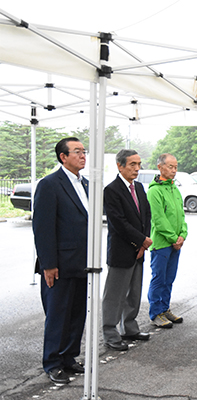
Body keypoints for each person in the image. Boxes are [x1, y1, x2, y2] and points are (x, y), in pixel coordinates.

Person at [32, 137, 88, 384]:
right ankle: (53, 362)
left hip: (82, 262)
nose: (83, 155)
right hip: (59, 264)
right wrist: (49, 264)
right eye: (77, 152)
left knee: (77, 313)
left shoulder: (85, 183)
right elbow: (42, 228)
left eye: (84, 151)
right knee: (57, 315)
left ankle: (69, 357)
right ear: (63, 157)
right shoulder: (50, 184)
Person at [102, 149, 152, 351]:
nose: (137, 168)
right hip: (122, 251)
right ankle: (110, 333)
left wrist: (143, 241)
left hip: (139, 250)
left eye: (139, 164)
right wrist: (140, 241)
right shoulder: (111, 190)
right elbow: (118, 223)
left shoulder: (139, 187)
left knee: (134, 293)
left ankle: (130, 328)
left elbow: (146, 216)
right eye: (132, 164)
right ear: (119, 165)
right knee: (115, 295)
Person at [147, 153, 187, 328]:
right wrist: (173, 238)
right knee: (159, 278)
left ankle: (165, 308)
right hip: (162, 243)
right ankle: (156, 312)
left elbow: (182, 215)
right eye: (170, 166)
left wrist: (183, 235)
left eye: (176, 166)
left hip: (175, 243)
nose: (174, 170)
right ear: (160, 167)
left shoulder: (174, 188)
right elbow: (158, 219)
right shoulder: (154, 190)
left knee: (169, 278)